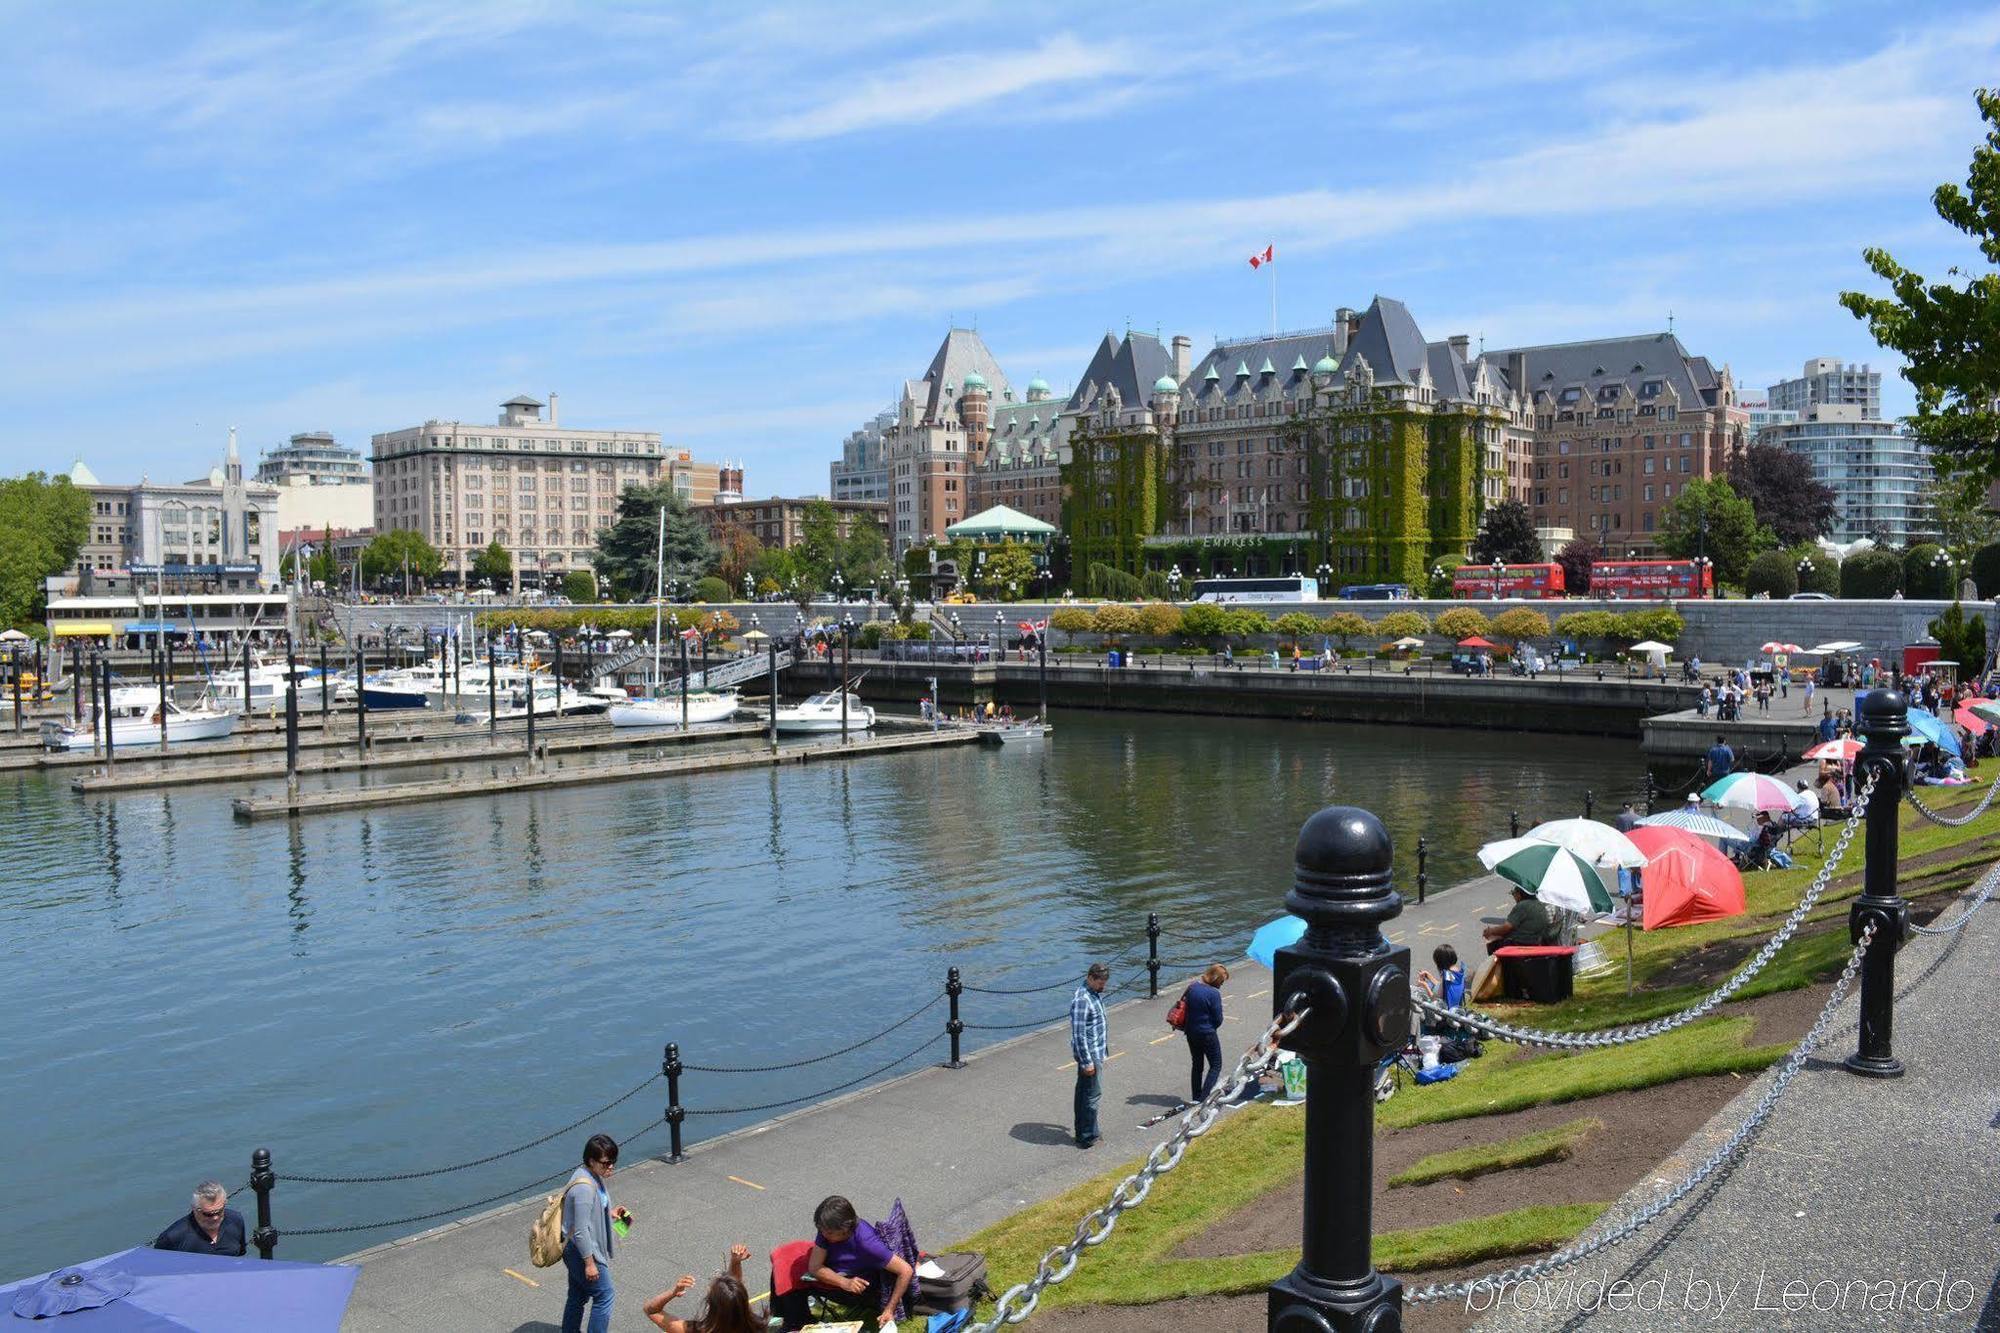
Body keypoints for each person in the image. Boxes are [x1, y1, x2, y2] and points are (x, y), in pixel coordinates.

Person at [802, 1196, 913, 1330]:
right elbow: (814, 1266)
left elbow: (906, 1270)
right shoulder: (827, 1230)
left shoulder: (867, 1244)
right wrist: (843, 1282)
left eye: (829, 1233)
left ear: (845, 1229)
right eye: (821, 1230)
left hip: (864, 1288)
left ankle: (796, 1323)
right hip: (843, 1277)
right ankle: (798, 1322)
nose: (823, 1235)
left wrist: (889, 1309)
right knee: (786, 1264)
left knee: (797, 1285)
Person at [561, 1134, 627, 1333]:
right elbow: (581, 1231)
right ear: (591, 1160)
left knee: (578, 1295)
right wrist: (590, 1264)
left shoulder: (590, 1175)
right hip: (582, 1251)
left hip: (576, 1249)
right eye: (606, 1163)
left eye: (613, 1162)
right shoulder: (583, 1188)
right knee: (605, 1296)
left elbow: (589, 1212)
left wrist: (610, 1214)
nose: (611, 1167)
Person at [646, 1247, 764, 1333]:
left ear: (712, 1305)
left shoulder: (695, 1330)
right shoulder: (759, 1327)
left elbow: (651, 1311)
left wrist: (672, 1293)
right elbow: (733, 1297)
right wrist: (735, 1262)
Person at [1471, 888, 1556, 1000]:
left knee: (1493, 945)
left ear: (1520, 895)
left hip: (1520, 943)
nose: (1513, 897)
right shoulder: (1540, 905)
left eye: (1514, 894)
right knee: (1499, 939)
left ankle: (1501, 981)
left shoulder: (1522, 906)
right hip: (1535, 941)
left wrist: (1491, 931)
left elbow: (1507, 927)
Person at [1069, 962, 1110, 1148]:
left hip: (1096, 1051)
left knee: (1085, 1093)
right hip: (1090, 1055)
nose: (1104, 986)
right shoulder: (1083, 999)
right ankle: (1087, 1136)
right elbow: (1078, 1034)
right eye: (1101, 982)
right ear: (1090, 978)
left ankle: (1088, 1130)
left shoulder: (1093, 994)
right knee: (1091, 1095)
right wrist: (1087, 1062)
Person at [153, 1180, 247, 1257]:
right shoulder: (173, 1237)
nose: (215, 1218)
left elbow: (239, 1255)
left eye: (219, 1211)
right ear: (194, 1209)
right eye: (208, 1214)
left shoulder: (235, 1220)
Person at [1181, 964, 1228, 1102]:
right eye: (1221, 981)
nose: (1222, 984)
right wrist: (1211, 1026)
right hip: (1207, 1033)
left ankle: (1196, 1096)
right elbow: (1218, 1018)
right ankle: (1205, 1097)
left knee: (1197, 1064)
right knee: (1215, 1065)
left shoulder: (1193, 987)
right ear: (1215, 979)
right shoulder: (1214, 994)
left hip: (1190, 1031)